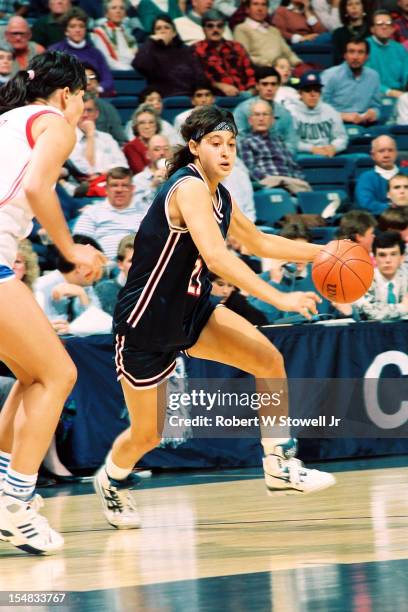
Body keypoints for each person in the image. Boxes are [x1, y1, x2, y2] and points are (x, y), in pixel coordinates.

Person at [93, 105, 335, 531]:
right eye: (216, 144)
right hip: (146, 319)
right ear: (194, 147)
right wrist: (279, 295)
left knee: (268, 361)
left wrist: (324, 252)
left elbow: (257, 240)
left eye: (232, 144)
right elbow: (218, 256)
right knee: (147, 434)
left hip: (190, 310)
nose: (226, 152)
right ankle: (111, 478)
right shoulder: (186, 188)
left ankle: (279, 464)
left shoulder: (221, 193)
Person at [0, 51, 105, 555]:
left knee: (31, 375)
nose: (84, 109)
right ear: (68, 95)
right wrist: (70, 251)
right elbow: (40, 188)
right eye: (83, 98)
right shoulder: (56, 124)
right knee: (59, 375)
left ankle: (4, 492)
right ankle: (15, 502)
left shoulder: (7, 120)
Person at [73, 167, 145, 261]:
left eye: (125, 185)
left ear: (132, 189)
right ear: (106, 189)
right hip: (103, 265)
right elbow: (80, 245)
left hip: (136, 264)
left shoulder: (145, 213)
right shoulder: (92, 213)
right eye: (114, 185)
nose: (119, 190)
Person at [239, 99, 311, 193]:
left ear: (272, 120)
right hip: (269, 184)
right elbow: (250, 168)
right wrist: (268, 179)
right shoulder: (246, 142)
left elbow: (293, 166)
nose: (261, 118)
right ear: (250, 121)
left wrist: (298, 180)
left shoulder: (279, 141)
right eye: (257, 115)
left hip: (290, 183)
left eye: (265, 114)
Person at [132, 15, 206, 98]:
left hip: (189, 97)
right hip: (163, 98)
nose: (163, 31)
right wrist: (150, 41)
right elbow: (139, 65)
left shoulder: (187, 51)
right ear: (154, 34)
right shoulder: (150, 51)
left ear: (174, 33)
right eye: (158, 28)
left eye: (166, 27)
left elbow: (199, 76)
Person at [49, 7, 115, 97]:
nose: (78, 30)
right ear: (66, 31)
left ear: (85, 29)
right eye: (73, 26)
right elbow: (50, 79)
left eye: (81, 26)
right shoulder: (55, 51)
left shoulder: (95, 53)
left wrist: (98, 89)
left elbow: (108, 80)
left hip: (92, 96)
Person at [233, 66, 298, 154]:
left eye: (273, 84)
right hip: (250, 158)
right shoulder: (242, 110)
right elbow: (237, 141)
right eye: (264, 84)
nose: (269, 88)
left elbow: (291, 143)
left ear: (278, 86)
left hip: (279, 160)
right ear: (257, 86)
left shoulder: (284, 113)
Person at [193, 9, 256, 97]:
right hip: (215, 97)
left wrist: (251, 89)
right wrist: (219, 85)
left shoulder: (236, 47)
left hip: (243, 95)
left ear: (224, 29)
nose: (215, 29)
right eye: (210, 26)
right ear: (203, 29)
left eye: (220, 26)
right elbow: (197, 77)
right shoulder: (196, 49)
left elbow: (250, 72)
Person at [321, 37, 382, 125]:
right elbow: (319, 108)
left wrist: (374, 113)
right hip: (336, 124)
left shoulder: (373, 76)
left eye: (360, 52)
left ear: (367, 56)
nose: (355, 57)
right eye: (351, 52)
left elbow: (376, 106)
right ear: (345, 55)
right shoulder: (330, 75)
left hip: (366, 125)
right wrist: (342, 116)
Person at [286, 71, 348, 157]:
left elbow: (342, 138)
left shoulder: (330, 111)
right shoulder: (291, 112)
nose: (313, 94)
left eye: (316, 90)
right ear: (300, 93)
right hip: (302, 157)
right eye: (308, 90)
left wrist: (333, 147)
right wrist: (312, 149)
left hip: (327, 155)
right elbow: (290, 141)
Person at [69, 92, 128, 181]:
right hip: (84, 188)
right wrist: (90, 136)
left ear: (96, 114)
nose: (85, 115)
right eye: (81, 110)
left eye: (89, 110)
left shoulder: (107, 138)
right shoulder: (68, 139)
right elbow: (86, 171)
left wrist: (100, 174)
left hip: (109, 184)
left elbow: (123, 165)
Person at [354, 231, 408, 320]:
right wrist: (403, 308)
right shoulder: (364, 280)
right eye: (382, 255)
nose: (388, 260)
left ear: (402, 258)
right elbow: (371, 313)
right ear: (374, 258)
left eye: (393, 254)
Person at [234, 0, 302, 68]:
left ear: (267, 9)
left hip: (282, 69)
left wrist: (299, 64)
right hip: (261, 70)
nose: (260, 9)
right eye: (255, 4)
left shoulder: (274, 30)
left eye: (263, 5)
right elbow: (244, 57)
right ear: (247, 9)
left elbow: (288, 54)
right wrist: (269, 64)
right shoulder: (241, 29)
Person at [366, 9, 408, 99]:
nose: (384, 27)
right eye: (380, 24)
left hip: (399, 95)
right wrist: (389, 92)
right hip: (372, 95)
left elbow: (406, 74)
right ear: (372, 29)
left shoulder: (400, 48)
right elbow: (364, 79)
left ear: (393, 29)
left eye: (388, 24)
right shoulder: (364, 47)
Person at [355, 135, 402, 215]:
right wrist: (393, 208)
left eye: (390, 150)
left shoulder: (406, 174)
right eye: (381, 151)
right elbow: (366, 204)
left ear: (396, 153)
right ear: (373, 155)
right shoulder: (366, 178)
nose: (386, 155)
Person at [84, 66, 127, 146]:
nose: (88, 82)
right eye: (84, 79)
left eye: (92, 78)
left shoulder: (108, 108)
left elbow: (121, 140)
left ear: (97, 83)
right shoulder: (66, 106)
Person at [91, 0, 138, 70]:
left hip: (133, 71)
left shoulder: (128, 33)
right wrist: (130, 69)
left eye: (122, 8)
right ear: (106, 13)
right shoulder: (99, 32)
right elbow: (107, 61)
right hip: (116, 74)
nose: (118, 11)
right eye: (114, 8)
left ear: (125, 13)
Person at [331, 0, 371, 64]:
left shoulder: (372, 31)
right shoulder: (338, 34)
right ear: (345, 9)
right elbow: (337, 61)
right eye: (350, 4)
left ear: (363, 7)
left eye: (357, 3)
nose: (354, 7)